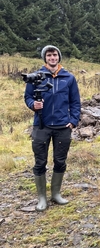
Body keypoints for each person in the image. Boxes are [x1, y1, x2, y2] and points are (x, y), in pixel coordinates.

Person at [24, 45, 81, 212]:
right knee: (40, 161)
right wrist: (32, 104)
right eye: (49, 55)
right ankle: (41, 197)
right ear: (45, 58)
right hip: (41, 125)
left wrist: (73, 121)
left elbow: (75, 102)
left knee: (60, 160)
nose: (52, 58)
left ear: (59, 57)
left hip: (63, 126)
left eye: (54, 55)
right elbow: (27, 96)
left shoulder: (69, 78)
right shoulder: (36, 77)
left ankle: (56, 194)